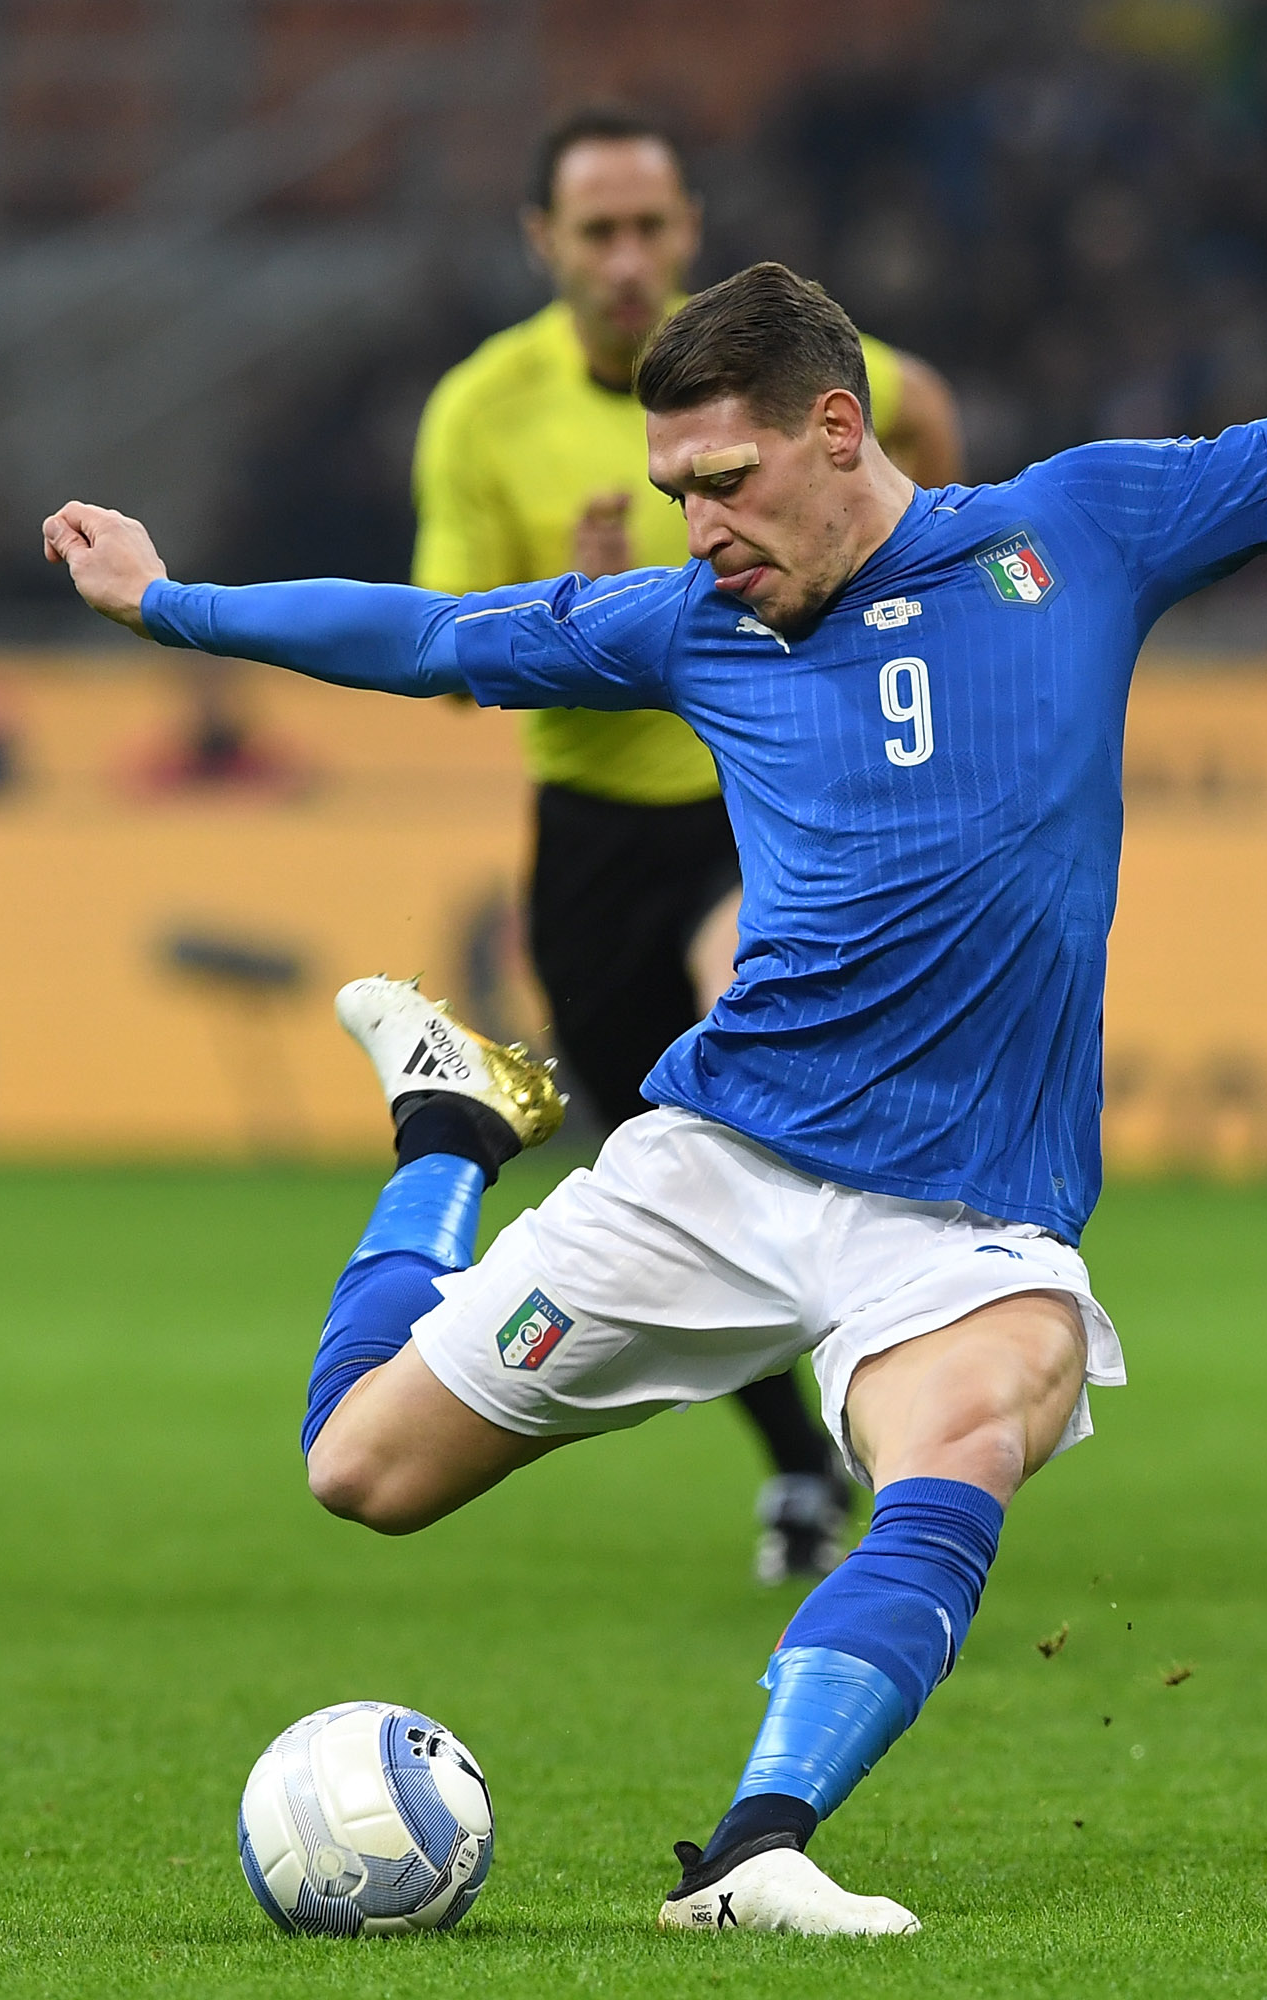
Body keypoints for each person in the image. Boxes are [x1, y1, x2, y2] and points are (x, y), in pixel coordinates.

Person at [43, 159, 1267, 1934]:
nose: (699, 531)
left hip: (959, 1216)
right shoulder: (691, 627)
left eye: (725, 482)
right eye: (675, 494)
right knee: (360, 1472)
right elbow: (431, 633)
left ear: (838, 427)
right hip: (721, 1167)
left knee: (972, 1428)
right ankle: (447, 1131)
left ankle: (754, 1851)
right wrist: (171, 603)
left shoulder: (1079, 534)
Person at [413, 107, 967, 1585]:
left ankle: (899, 1412)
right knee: (662, 1154)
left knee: (770, 1069)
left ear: (690, 228)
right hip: (593, 830)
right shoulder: (482, 411)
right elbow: (450, 647)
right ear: (543, 241)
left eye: (650, 226)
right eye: (597, 230)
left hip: (759, 801)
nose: (627, 257)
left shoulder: (764, 376)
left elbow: (921, 417)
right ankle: (798, 1459)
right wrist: (569, 606)